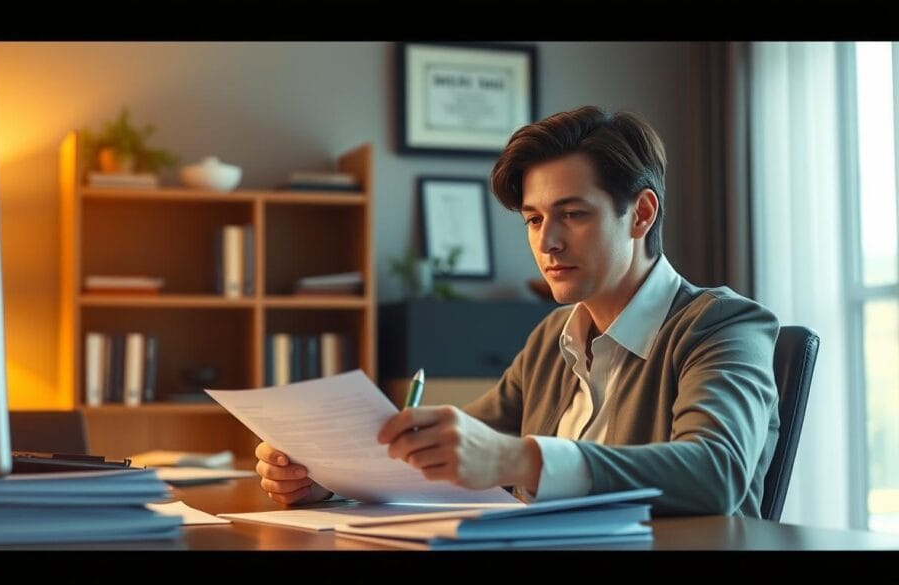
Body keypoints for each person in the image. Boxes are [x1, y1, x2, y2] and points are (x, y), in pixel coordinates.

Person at [254, 106, 779, 517]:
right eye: (534, 219)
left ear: (641, 214)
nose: (547, 242)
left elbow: (716, 472)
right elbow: (446, 451)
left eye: (573, 214)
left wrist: (514, 458)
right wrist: (328, 476)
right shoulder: (554, 337)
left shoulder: (724, 326)